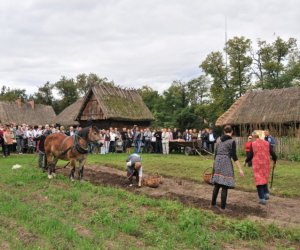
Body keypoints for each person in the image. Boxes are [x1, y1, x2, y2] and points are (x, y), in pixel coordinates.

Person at [211, 125, 244, 210]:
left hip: (217, 161)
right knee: (224, 185)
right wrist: (240, 169)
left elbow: (215, 153)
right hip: (225, 162)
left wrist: (214, 165)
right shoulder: (232, 141)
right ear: (231, 132)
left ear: (224, 131)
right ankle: (222, 208)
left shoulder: (218, 140)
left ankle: (213, 204)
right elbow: (234, 156)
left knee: (217, 185)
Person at [245, 131, 277, 205]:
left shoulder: (253, 144)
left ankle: (262, 198)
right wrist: (275, 160)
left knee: (259, 180)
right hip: (266, 164)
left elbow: (250, 155)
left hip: (257, 165)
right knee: (264, 178)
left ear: (256, 136)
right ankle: (266, 194)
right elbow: (273, 154)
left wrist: (246, 161)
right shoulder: (267, 143)